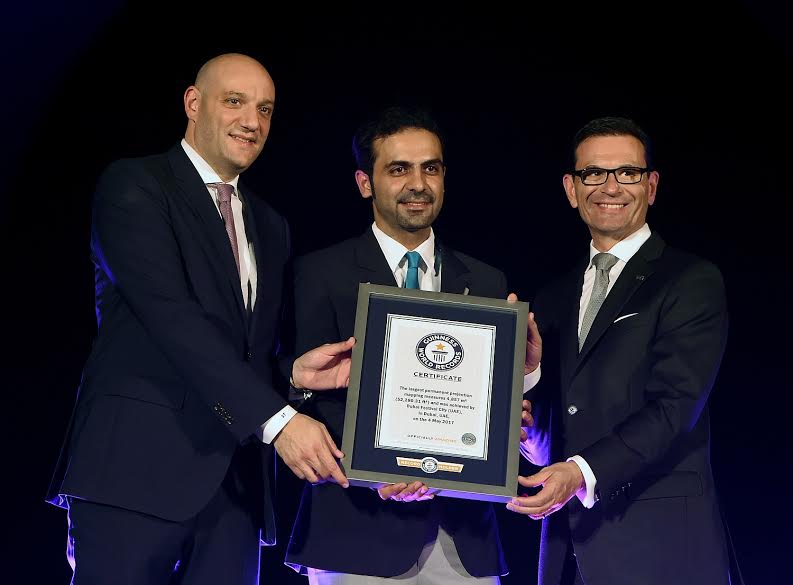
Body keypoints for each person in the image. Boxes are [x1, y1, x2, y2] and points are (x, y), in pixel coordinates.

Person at [46, 53, 353, 585]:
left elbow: (242, 353)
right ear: (193, 103)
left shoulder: (271, 224)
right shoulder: (136, 185)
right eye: (234, 102)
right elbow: (172, 320)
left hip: (234, 488)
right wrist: (279, 420)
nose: (252, 121)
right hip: (132, 473)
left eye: (265, 109)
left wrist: (291, 376)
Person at [284, 106, 540, 584]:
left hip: (464, 539)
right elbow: (297, 389)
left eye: (431, 168)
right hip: (355, 533)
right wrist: (374, 468)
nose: (418, 184)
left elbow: (494, 402)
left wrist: (522, 380)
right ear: (365, 182)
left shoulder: (487, 280)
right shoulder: (318, 274)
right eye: (399, 169)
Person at [510, 116, 733, 584]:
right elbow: (553, 441)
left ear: (651, 186)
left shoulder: (689, 280)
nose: (610, 187)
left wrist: (579, 473)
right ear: (571, 189)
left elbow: (675, 407)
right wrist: (528, 382)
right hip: (568, 551)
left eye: (627, 172)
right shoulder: (552, 298)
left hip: (662, 548)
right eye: (594, 173)